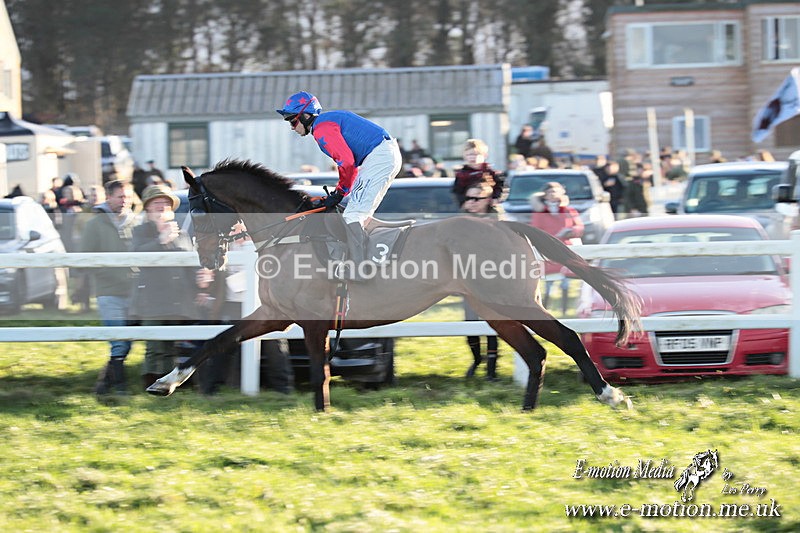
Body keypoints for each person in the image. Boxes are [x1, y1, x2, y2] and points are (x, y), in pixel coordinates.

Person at [276, 91, 402, 282]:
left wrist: (341, 191)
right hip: (383, 155)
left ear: (305, 115)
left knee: (353, 214)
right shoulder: (325, 123)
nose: (292, 127)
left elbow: (347, 162)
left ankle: (360, 270)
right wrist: (341, 192)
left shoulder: (321, 129)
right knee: (354, 211)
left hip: (379, 156)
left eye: (293, 121)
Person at [130, 184, 202, 390]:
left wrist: (199, 284)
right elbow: (136, 258)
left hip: (177, 298)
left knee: (171, 345)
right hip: (151, 298)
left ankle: (168, 385)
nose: (162, 209)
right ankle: (150, 383)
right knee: (154, 346)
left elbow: (190, 265)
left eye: (166, 205)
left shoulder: (182, 234)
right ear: (148, 210)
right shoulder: (140, 232)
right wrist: (161, 241)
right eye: (157, 204)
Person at [80, 180, 137, 395]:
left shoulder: (135, 222)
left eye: (128, 197)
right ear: (109, 197)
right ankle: (120, 389)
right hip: (108, 290)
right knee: (119, 342)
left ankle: (104, 385)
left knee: (127, 342)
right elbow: (85, 257)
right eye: (120, 196)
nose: (124, 201)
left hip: (133, 292)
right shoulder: (94, 224)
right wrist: (109, 274)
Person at [461, 180, 504, 380]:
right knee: (470, 325)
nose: (471, 202)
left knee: (493, 324)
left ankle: (492, 369)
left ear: (487, 200)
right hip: (468, 280)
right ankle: (477, 359)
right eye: (468, 198)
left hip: (492, 280)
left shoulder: (496, 221)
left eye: (476, 198)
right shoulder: (462, 221)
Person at [529, 182, 584, 315]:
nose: (553, 195)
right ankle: (545, 312)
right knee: (548, 285)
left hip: (565, 251)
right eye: (550, 192)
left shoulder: (569, 211)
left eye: (556, 192)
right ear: (545, 195)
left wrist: (571, 231)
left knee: (566, 283)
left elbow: (579, 227)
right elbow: (534, 231)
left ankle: (565, 311)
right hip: (548, 252)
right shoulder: (539, 213)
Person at [452, 138, 503, 206]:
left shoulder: (490, 172)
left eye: (476, 154)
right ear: (464, 156)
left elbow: (499, 186)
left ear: (484, 156)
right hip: (470, 206)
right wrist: (464, 203)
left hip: (488, 206)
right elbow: (457, 192)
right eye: (469, 155)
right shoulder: (462, 174)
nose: (472, 157)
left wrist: (495, 197)